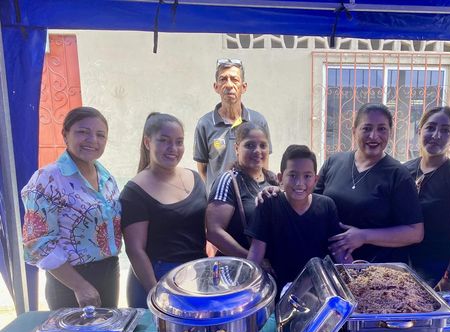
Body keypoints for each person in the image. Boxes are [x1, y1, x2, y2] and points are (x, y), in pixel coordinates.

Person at [21, 106, 121, 309]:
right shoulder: (47, 179)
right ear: (65, 135)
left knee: (110, 329)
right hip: (69, 282)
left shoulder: (106, 178)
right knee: (74, 331)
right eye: (83, 132)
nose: (93, 140)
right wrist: (79, 286)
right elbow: (37, 243)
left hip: (109, 273)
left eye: (100, 135)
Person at [316, 103, 424, 263]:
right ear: (354, 131)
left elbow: (415, 233)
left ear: (390, 132)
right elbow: (311, 202)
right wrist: (279, 193)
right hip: (329, 264)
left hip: (374, 269)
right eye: (366, 128)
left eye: (382, 129)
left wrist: (364, 236)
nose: (374, 136)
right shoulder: (333, 162)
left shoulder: (398, 175)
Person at [120, 113, 208, 308]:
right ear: (147, 142)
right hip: (158, 279)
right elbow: (135, 250)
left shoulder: (195, 178)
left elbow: (207, 228)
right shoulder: (134, 191)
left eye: (179, 142)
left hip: (196, 276)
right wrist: (156, 295)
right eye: (164, 140)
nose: (173, 148)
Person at [247, 145, 344, 292]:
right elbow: (256, 253)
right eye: (292, 175)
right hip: (278, 289)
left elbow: (338, 250)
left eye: (307, 176)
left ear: (316, 179)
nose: (300, 183)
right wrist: (247, 288)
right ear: (280, 178)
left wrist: (354, 278)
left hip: (319, 289)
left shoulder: (326, 205)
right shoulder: (268, 204)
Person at [404, 106, 450, 292]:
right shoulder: (404, 171)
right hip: (409, 267)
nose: (436, 135)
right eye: (430, 127)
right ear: (419, 131)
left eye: (445, 130)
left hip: (443, 271)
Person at [194, 58, 271, 194]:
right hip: (219, 201)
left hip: (252, 199)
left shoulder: (258, 121)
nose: (229, 85)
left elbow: (264, 165)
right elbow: (202, 170)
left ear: (244, 87)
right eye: (223, 79)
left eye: (234, 79)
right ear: (216, 87)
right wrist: (217, 192)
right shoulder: (205, 124)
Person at [206, 122, 278, 257]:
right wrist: (252, 260)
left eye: (263, 145)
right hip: (238, 266)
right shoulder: (228, 180)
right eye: (250, 145)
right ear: (237, 148)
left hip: (270, 266)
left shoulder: (273, 180)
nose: (257, 151)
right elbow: (214, 232)